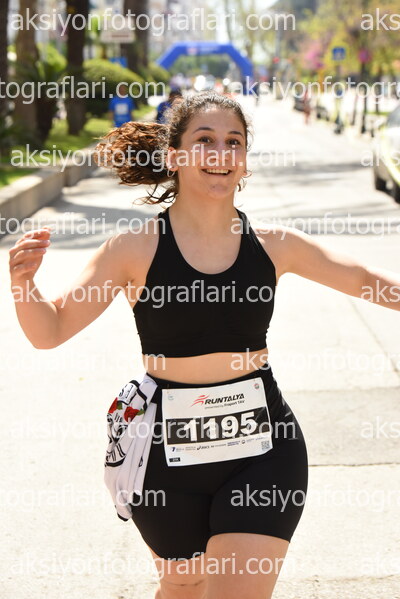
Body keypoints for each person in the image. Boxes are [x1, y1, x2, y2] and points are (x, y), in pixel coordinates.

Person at [8, 91, 400, 599]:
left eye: (234, 141)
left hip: (264, 452)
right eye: (205, 139)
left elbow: (366, 280)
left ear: (245, 161)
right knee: (183, 587)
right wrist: (23, 284)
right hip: (164, 460)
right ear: (175, 156)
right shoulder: (133, 249)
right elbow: (50, 330)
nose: (221, 152)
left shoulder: (275, 245)